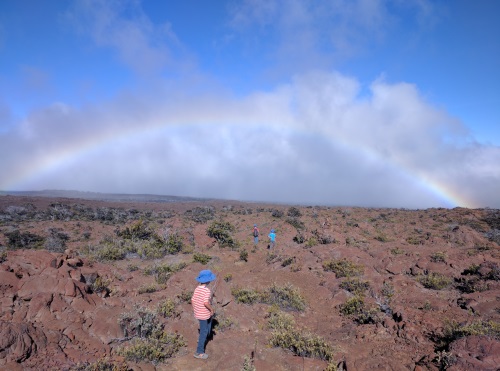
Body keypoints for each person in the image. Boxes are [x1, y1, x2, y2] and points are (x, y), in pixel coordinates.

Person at [191, 269, 216, 359]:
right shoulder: (207, 291)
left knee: (207, 325)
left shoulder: (197, 288)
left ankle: (206, 337)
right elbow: (206, 303)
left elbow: (193, 300)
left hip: (198, 313)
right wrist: (211, 309)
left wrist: (195, 310)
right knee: (203, 331)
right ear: (208, 280)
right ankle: (199, 352)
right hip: (204, 314)